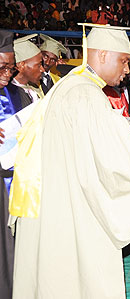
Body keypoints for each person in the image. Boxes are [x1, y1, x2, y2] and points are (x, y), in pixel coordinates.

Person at [9, 25, 130, 299]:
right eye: (123, 61)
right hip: (74, 205)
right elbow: (115, 162)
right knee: (79, 278)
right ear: (103, 55)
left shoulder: (69, 85)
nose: (127, 69)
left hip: (54, 197)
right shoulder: (86, 94)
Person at [0, 29, 27, 299]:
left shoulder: (19, 95)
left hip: (13, 184)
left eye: (11, 66)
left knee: (11, 252)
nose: (8, 73)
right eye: (2, 66)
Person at [11, 34, 44, 103]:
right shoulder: (9, 98)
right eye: (39, 65)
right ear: (21, 65)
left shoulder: (34, 90)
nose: (42, 69)